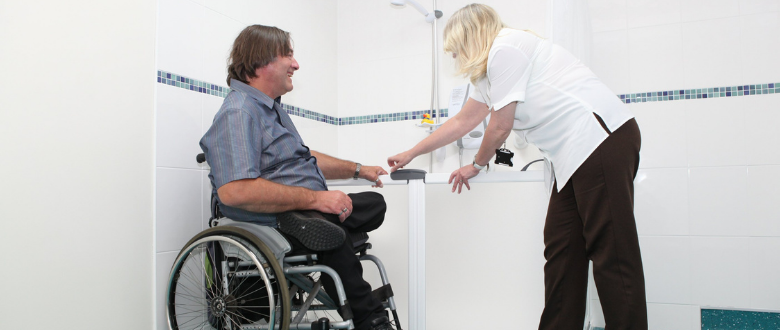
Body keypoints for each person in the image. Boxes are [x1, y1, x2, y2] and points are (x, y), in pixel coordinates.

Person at [387, 4, 647, 330]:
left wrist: (476, 165)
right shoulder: (488, 77)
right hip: (572, 156)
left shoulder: (505, 49)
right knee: (562, 251)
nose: (455, 59)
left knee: (612, 252)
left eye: (456, 50)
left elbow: (499, 127)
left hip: (599, 139)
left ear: (471, 38)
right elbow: (462, 122)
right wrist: (412, 152)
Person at [200, 25, 394, 330]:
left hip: (301, 208)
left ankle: (312, 225)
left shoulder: (269, 109)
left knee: (374, 204)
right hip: (270, 218)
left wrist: (358, 170)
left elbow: (302, 158)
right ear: (261, 61)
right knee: (329, 230)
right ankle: (370, 319)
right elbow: (234, 192)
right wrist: (318, 199)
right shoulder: (239, 112)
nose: (296, 63)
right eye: (288, 54)